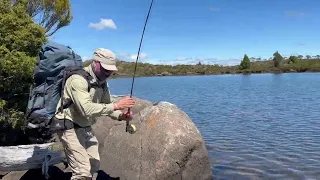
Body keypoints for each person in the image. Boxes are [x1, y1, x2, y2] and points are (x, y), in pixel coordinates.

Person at [54, 48, 135, 180]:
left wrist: (121, 115)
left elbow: (106, 103)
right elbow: (87, 109)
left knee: (94, 165)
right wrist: (117, 105)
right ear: (95, 62)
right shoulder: (77, 80)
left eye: (110, 70)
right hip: (68, 125)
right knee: (82, 172)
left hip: (85, 125)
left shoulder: (102, 82)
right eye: (105, 69)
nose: (108, 73)